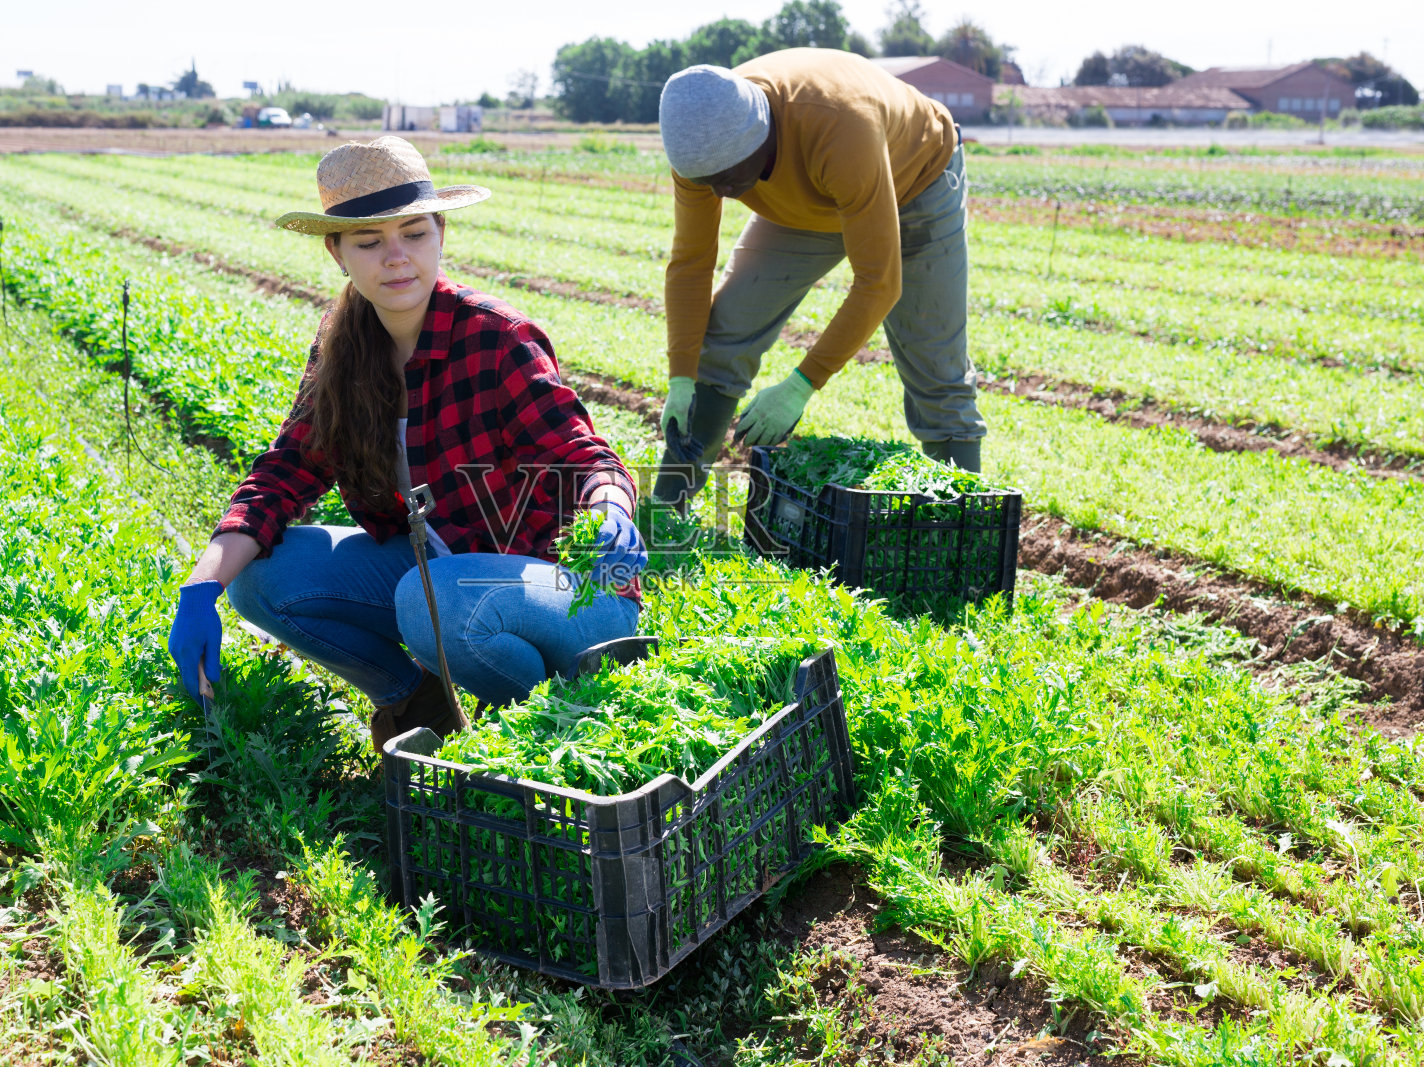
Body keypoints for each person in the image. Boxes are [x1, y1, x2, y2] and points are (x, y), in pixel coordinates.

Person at [166, 137, 647, 748]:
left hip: (568, 595)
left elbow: (585, 457)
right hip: (444, 577)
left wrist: (610, 510)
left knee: (433, 600)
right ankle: (417, 702)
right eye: (369, 242)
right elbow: (287, 470)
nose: (396, 258)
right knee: (262, 579)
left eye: (414, 233)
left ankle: (543, 736)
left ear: (440, 232)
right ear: (336, 252)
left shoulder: (496, 338)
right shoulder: (345, 344)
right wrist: (203, 585)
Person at [652, 48, 984, 512]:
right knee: (723, 335)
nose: (719, 193)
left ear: (760, 138)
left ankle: (961, 535)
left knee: (938, 374)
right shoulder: (700, 145)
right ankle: (667, 510)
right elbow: (691, 261)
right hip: (804, 195)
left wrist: (800, 385)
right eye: (706, 182)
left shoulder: (839, 127)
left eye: (727, 179)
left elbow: (880, 282)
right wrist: (681, 378)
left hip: (916, 182)